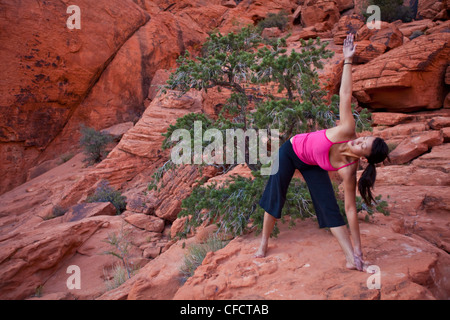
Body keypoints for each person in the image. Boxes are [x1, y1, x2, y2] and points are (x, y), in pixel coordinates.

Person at [255, 33, 389, 271]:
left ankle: (351, 259)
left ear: (365, 157)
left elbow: (350, 210)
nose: (359, 142)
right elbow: (345, 95)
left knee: (329, 207)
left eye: (363, 146)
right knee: (276, 193)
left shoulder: (349, 171)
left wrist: (359, 251)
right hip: (291, 150)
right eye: (364, 138)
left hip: (313, 164)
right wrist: (348, 60)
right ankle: (263, 242)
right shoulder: (348, 129)